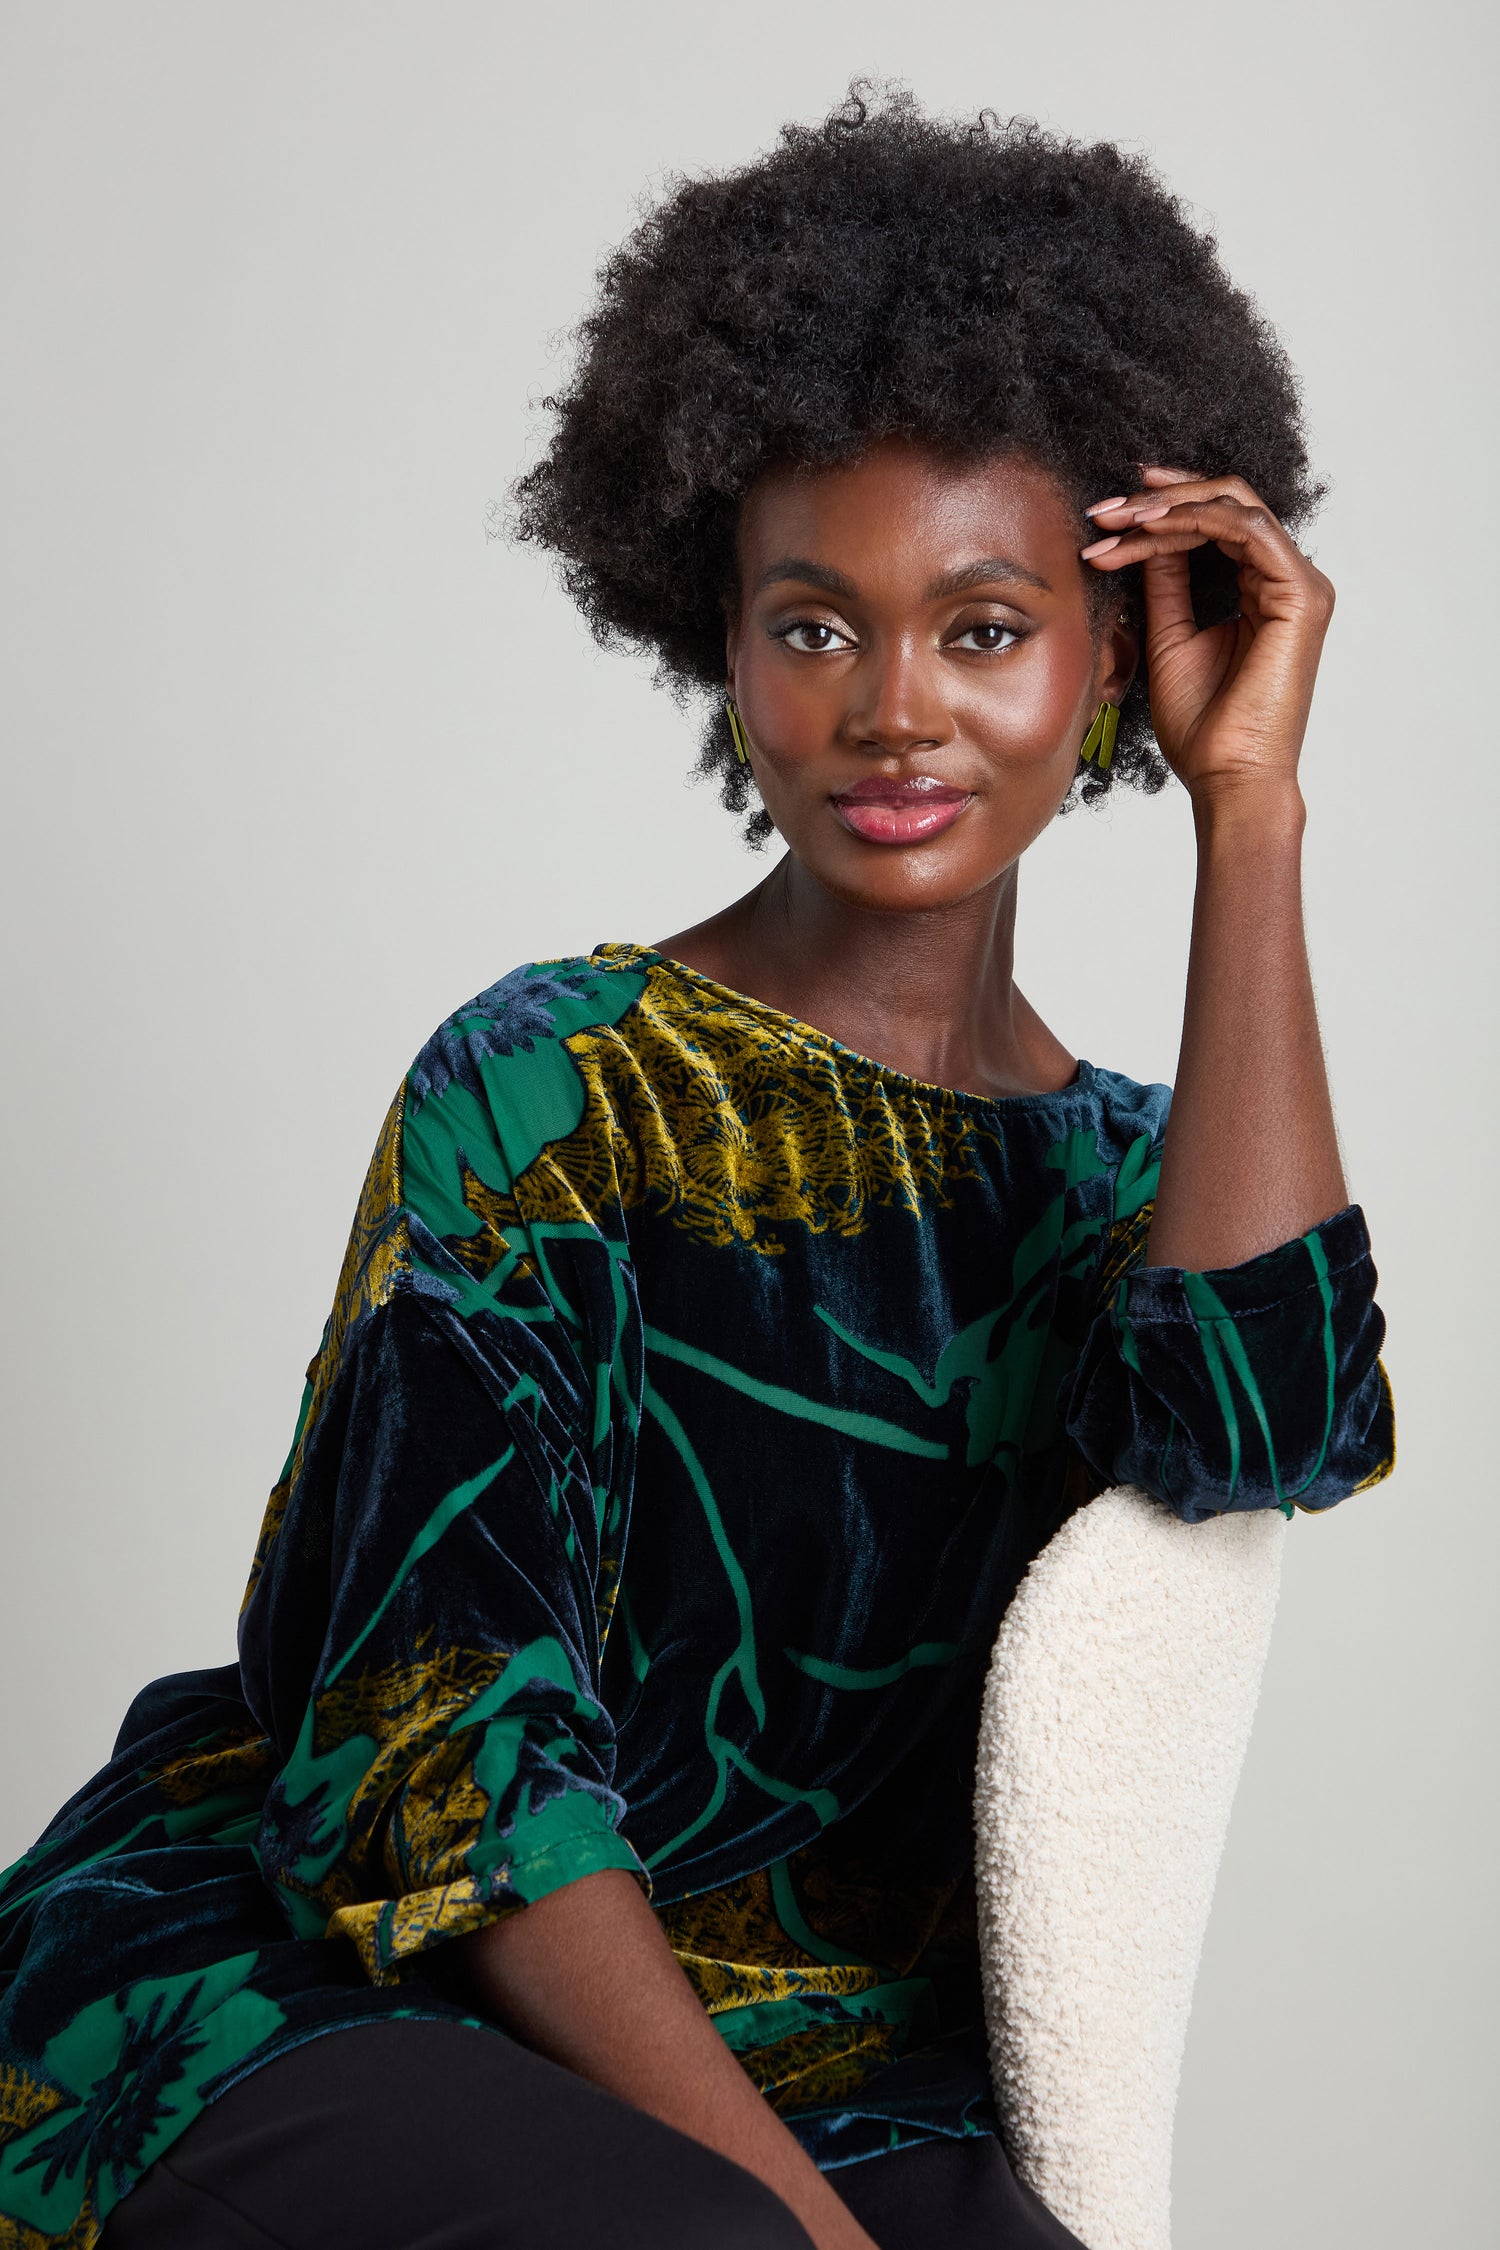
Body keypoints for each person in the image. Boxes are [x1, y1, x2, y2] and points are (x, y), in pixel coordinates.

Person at [0, 87, 1393, 2250]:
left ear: (1111, 653)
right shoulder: (554, 1082)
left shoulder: (1128, 1169)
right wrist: (784, 2230)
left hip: (838, 2057)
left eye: (989, 626)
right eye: (813, 625)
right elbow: (445, 1753)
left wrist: (1255, 810)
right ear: (721, 647)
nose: (893, 708)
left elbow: (1268, 1426)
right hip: (335, 1986)